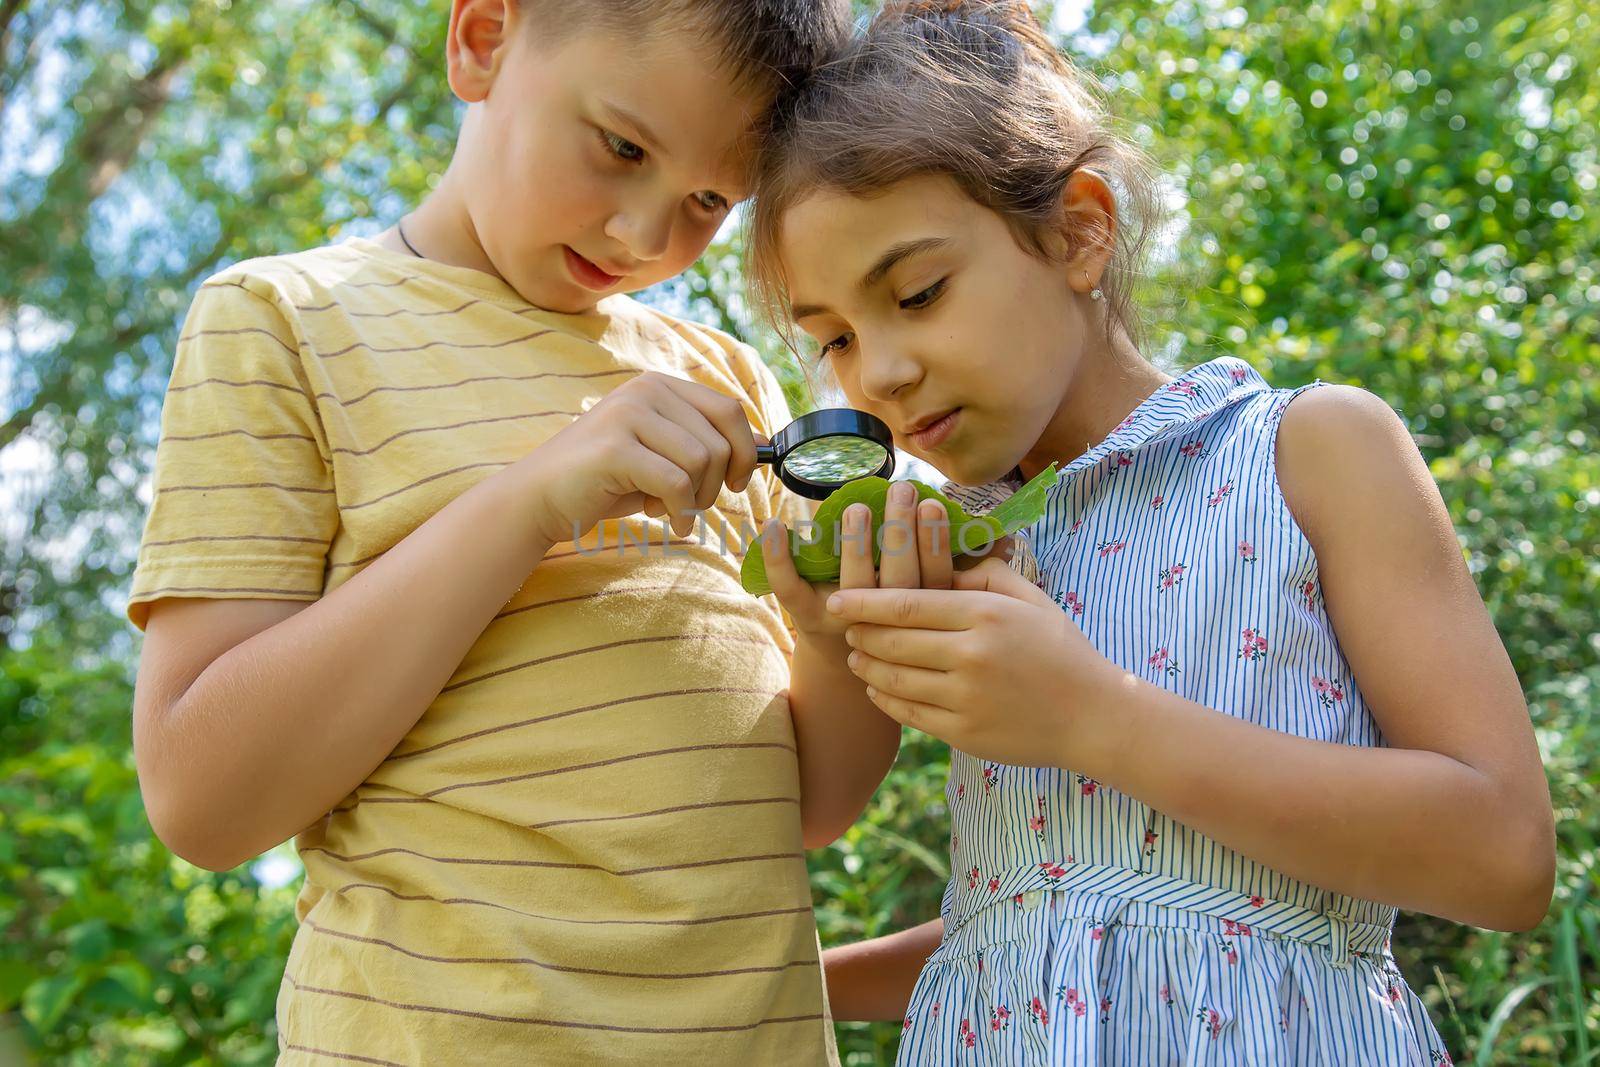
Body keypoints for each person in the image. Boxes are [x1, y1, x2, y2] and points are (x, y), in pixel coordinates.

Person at [749, 2, 1554, 1062]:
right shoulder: (960, 546)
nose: (880, 372)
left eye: (918, 292)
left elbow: (1503, 853)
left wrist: (1096, 720)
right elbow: (1061, 907)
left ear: (1080, 230)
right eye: (836, 338)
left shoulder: (1305, 453)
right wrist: (822, 639)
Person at [126, 1, 858, 1062]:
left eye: (708, 199)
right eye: (620, 147)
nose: (648, 236)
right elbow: (203, 800)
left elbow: (803, 807)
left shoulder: (725, 383)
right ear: (480, 40)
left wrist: (838, 626)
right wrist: (531, 501)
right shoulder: (284, 319)